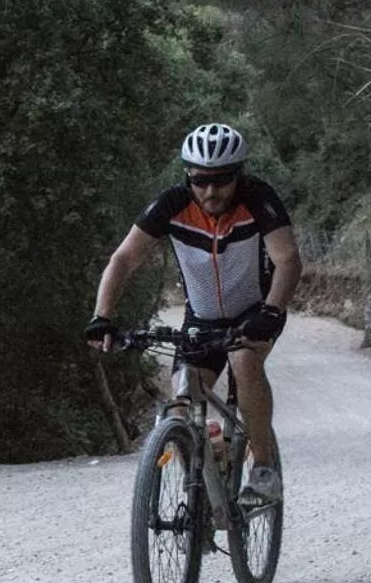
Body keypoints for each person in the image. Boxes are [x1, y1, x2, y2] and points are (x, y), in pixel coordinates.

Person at [84, 122, 301, 502]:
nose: (211, 191)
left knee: (244, 361)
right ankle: (201, 494)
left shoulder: (258, 198)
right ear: (188, 175)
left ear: (239, 175)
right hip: (202, 318)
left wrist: (271, 310)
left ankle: (264, 469)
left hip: (256, 310)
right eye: (201, 180)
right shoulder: (172, 203)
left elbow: (288, 260)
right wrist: (102, 316)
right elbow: (124, 259)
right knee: (180, 405)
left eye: (221, 180)